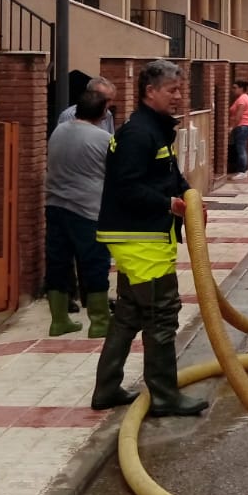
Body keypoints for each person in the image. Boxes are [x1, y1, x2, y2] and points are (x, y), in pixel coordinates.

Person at [91, 60, 208, 417]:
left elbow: (167, 175)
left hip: (142, 235)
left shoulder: (154, 130)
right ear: (149, 92)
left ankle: (107, 388)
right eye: (172, 91)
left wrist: (189, 198)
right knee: (161, 313)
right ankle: (163, 395)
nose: (178, 97)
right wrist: (168, 204)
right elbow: (127, 187)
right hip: (139, 237)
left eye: (180, 90)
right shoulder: (138, 133)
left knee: (129, 313)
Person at [44, 88, 116, 337]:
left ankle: (59, 320)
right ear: (103, 112)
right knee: (94, 264)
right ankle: (99, 322)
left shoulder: (58, 132)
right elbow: (115, 174)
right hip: (88, 210)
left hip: (55, 206)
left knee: (58, 264)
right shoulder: (103, 139)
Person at [227, 79, 248, 180]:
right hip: (244, 126)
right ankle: (245, 170)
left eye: (235, 88)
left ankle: (242, 171)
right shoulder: (243, 98)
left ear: (241, 88)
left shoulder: (242, 99)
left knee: (240, 149)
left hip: (242, 126)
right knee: (242, 148)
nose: (232, 90)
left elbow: (238, 116)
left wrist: (231, 127)